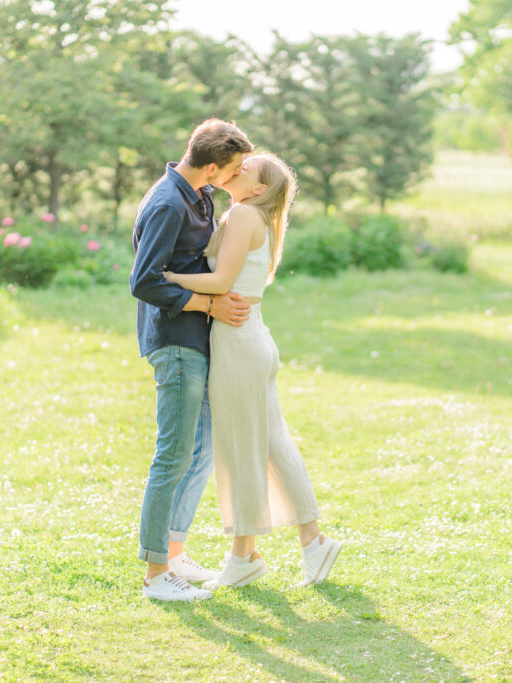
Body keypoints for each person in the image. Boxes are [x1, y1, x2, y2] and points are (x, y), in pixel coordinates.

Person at [164, 152, 342, 589]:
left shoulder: (244, 214)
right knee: (270, 444)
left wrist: (167, 278)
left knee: (243, 450)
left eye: (248, 168)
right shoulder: (247, 214)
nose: (237, 168)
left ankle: (244, 556)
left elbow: (222, 283)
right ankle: (311, 541)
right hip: (250, 338)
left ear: (260, 188)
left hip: (239, 344)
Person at [130, 119, 254, 602]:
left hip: (198, 340)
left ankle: (174, 553)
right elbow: (145, 281)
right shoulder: (166, 202)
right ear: (211, 165)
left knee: (200, 452)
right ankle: (156, 574)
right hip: (175, 340)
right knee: (174, 454)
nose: (238, 175)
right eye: (235, 168)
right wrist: (208, 304)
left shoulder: (198, 194)